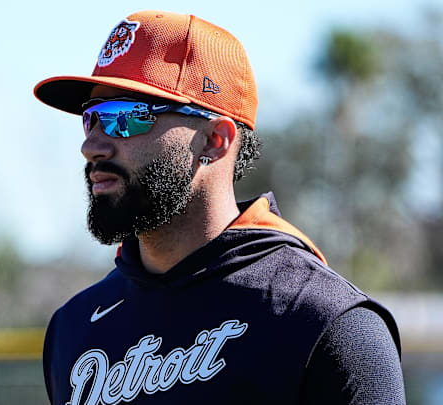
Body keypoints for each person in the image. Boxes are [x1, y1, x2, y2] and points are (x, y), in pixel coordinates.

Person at [33, 10, 405, 404]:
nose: (92, 146)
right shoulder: (73, 329)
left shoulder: (325, 321)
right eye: (91, 120)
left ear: (215, 139)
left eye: (125, 117)